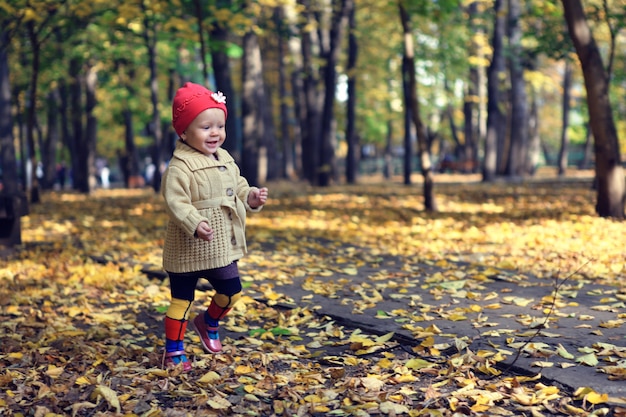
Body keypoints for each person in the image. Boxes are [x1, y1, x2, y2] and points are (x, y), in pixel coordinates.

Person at [160, 82, 268, 371]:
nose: (215, 133)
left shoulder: (225, 158)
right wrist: (194, 223)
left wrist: (251, 197)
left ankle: (208, 322)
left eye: (219, 126)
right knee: (181, 301)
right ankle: (174, 351)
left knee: (231, 292)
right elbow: (175, 202)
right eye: (205, 127)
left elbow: (238, 186)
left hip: (221, 245)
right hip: (187, 247)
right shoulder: (180, 166)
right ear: (184, 132)